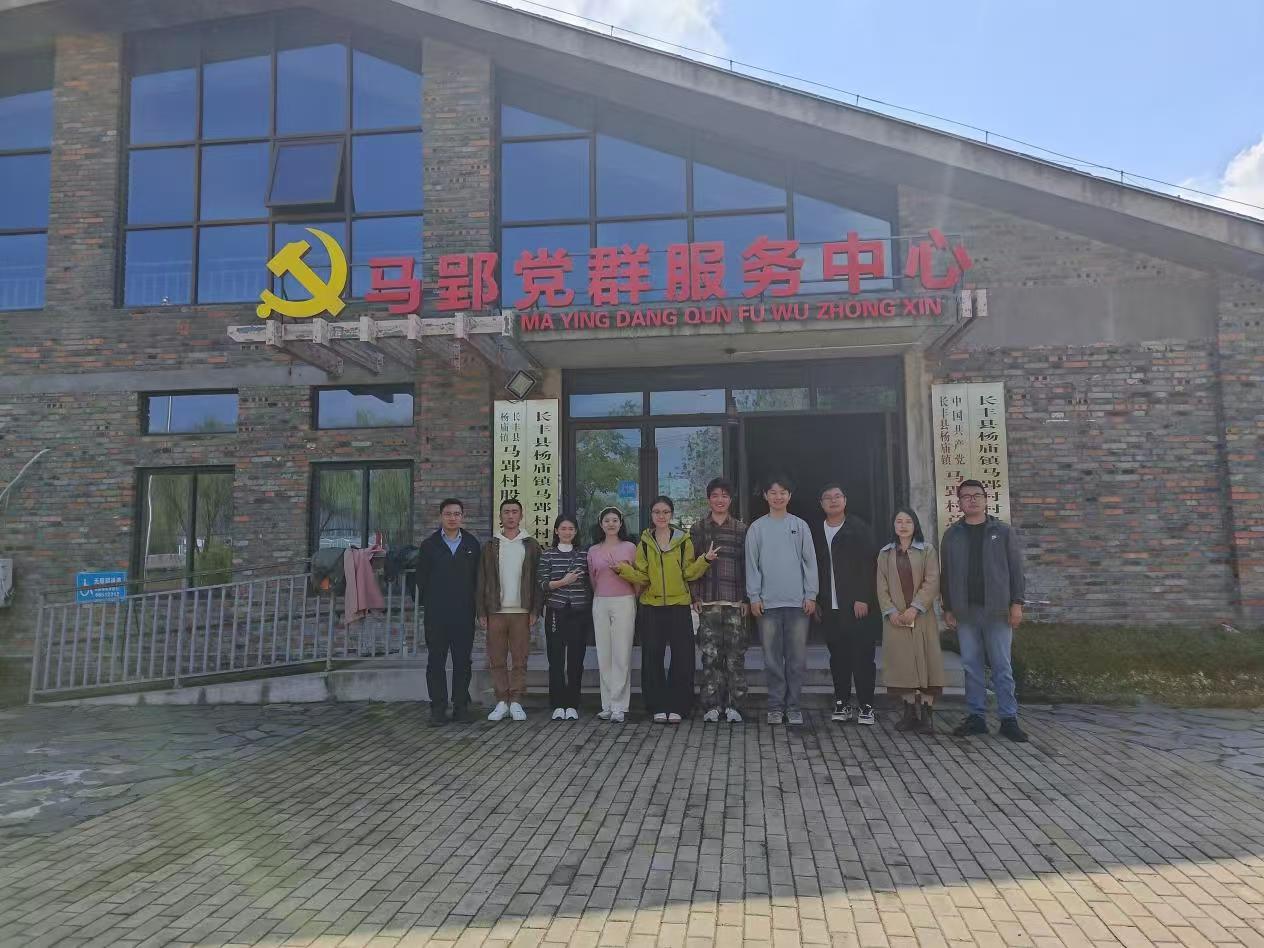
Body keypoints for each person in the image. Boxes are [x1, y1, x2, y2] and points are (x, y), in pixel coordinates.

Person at [940, 480, 1029, 743]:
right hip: (966, 611)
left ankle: (1008, 718)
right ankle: (976, 717)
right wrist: (948, 607)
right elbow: (946, 575)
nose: (972, 500)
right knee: (971, 665)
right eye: (966, 496)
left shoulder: (1002, 532)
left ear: (986, 499)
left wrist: (1017, 603)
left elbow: (1016, 570)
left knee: (1002, 665)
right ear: (959, 502)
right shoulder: (952, 535)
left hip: (998, 610)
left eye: (976, 495)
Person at [617, 496, 716, 723]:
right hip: (651, 606)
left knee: (683, 657)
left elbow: (688, 572)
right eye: (657, 512)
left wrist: (705, 560)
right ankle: (657, 705)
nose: (661, 516)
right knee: (652, 656)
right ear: (651, 515)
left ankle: (679, 706)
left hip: (678, 604)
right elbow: (643, 576)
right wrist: (623, 571)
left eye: (665, 512)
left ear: (671, 514)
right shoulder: (644, 543)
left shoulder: (683, 540)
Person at [746, 475, 818, 726]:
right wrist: (754, 596)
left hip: (797, 604)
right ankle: (775, 706)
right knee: (772, 660)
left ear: (790, 496)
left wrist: (811, 594)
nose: (778, 497)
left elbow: (810, 562)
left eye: (783, 492)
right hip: (768, 605)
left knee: (796, 660)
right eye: (773, 492)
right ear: (765, 496)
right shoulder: (757, 528)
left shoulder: (800, 525)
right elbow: (752, 565)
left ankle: (794, 706)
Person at [812, 483, 880, 726]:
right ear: (821, 504)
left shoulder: (859, 528)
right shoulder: (815, 532)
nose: (833, 501)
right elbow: (811, 567)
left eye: (837, 496)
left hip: (857, 606)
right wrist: (815, 599)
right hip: (829, 606)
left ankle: (866, 705)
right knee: (838, 658)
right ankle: (841, 702)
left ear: (845, 500)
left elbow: (871, 565)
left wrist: (863, 597)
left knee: (862, 657)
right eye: (827, 497)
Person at [876, 507, 944, 734]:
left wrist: (915, 608)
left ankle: (926, 714)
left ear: (915, 525)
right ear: (893, 526)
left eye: (908, 521)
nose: (903, 526)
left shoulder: (927, 550)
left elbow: (932, 581)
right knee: (902, 663)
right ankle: (909, 712)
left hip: (921, 616)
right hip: (896, 618)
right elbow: (881, 586)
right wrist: (891, 611)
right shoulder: (885, 553)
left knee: (927, 662)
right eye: (899, 521)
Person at [415, 498, 481, 727]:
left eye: (456, 514)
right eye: (448, 514)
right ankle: (438, 708)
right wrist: (432, 603)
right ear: (441, 516)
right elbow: (421, 579)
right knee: (436, 662)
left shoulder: (472, 544)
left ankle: (461, 707)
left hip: (464, 614)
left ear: (463, 516)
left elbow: (477, 580)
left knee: (463, 662)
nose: (452, 518)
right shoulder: (429, 545)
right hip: (437, 615)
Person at [476, 497, 542, 722]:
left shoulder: (531, 545)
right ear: (500, 516)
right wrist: (481, 611)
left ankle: (516, 701)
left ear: (521, 516)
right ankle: (501, 701)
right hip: (495, 610)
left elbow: (537, 580)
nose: (511, 515)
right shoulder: (490, 545)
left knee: (520, 659)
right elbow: (481, 579)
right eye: (507, 512)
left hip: (521, 611)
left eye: (515, 512)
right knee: (497, 658)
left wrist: (535, 610)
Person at [689, 477, 748, 724]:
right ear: (708, 499)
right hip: (708, 601)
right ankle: (712, 705)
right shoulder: (698, 529)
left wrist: (746, 598)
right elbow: (692, 564)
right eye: (715, 495)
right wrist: (694, 595)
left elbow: (747, 566)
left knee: (735, 656)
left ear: (730, 499)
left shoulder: (742, 529)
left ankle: (735, 706)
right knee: (710, 656)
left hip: (735, 600)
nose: (720, 500)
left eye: (724, 495)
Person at [537, 513, 591, 721]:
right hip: (556, 610)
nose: (567, 532)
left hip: (579, 611)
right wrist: (563, 582)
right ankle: (558, 703)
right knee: (556, 658)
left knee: (576, 658)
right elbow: (542, 584)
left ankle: (573, 703)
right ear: (556, 531)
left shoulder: (583, 554)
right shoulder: (548, 555)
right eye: (563, 528)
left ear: (576, 532)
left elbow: (589, 581)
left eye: (571, 529)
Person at [587, 507, 638, 723]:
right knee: (604, 653)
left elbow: (638, 576)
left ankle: (619, 705)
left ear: (620, 523)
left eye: (615, 520)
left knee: (621, 653)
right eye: (606, 520)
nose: (611, 524)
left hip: (624, 601)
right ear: (601, 524)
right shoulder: (593, 550)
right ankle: (607, 704)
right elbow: (593, 579)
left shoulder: (630, 547)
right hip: (600, 601)